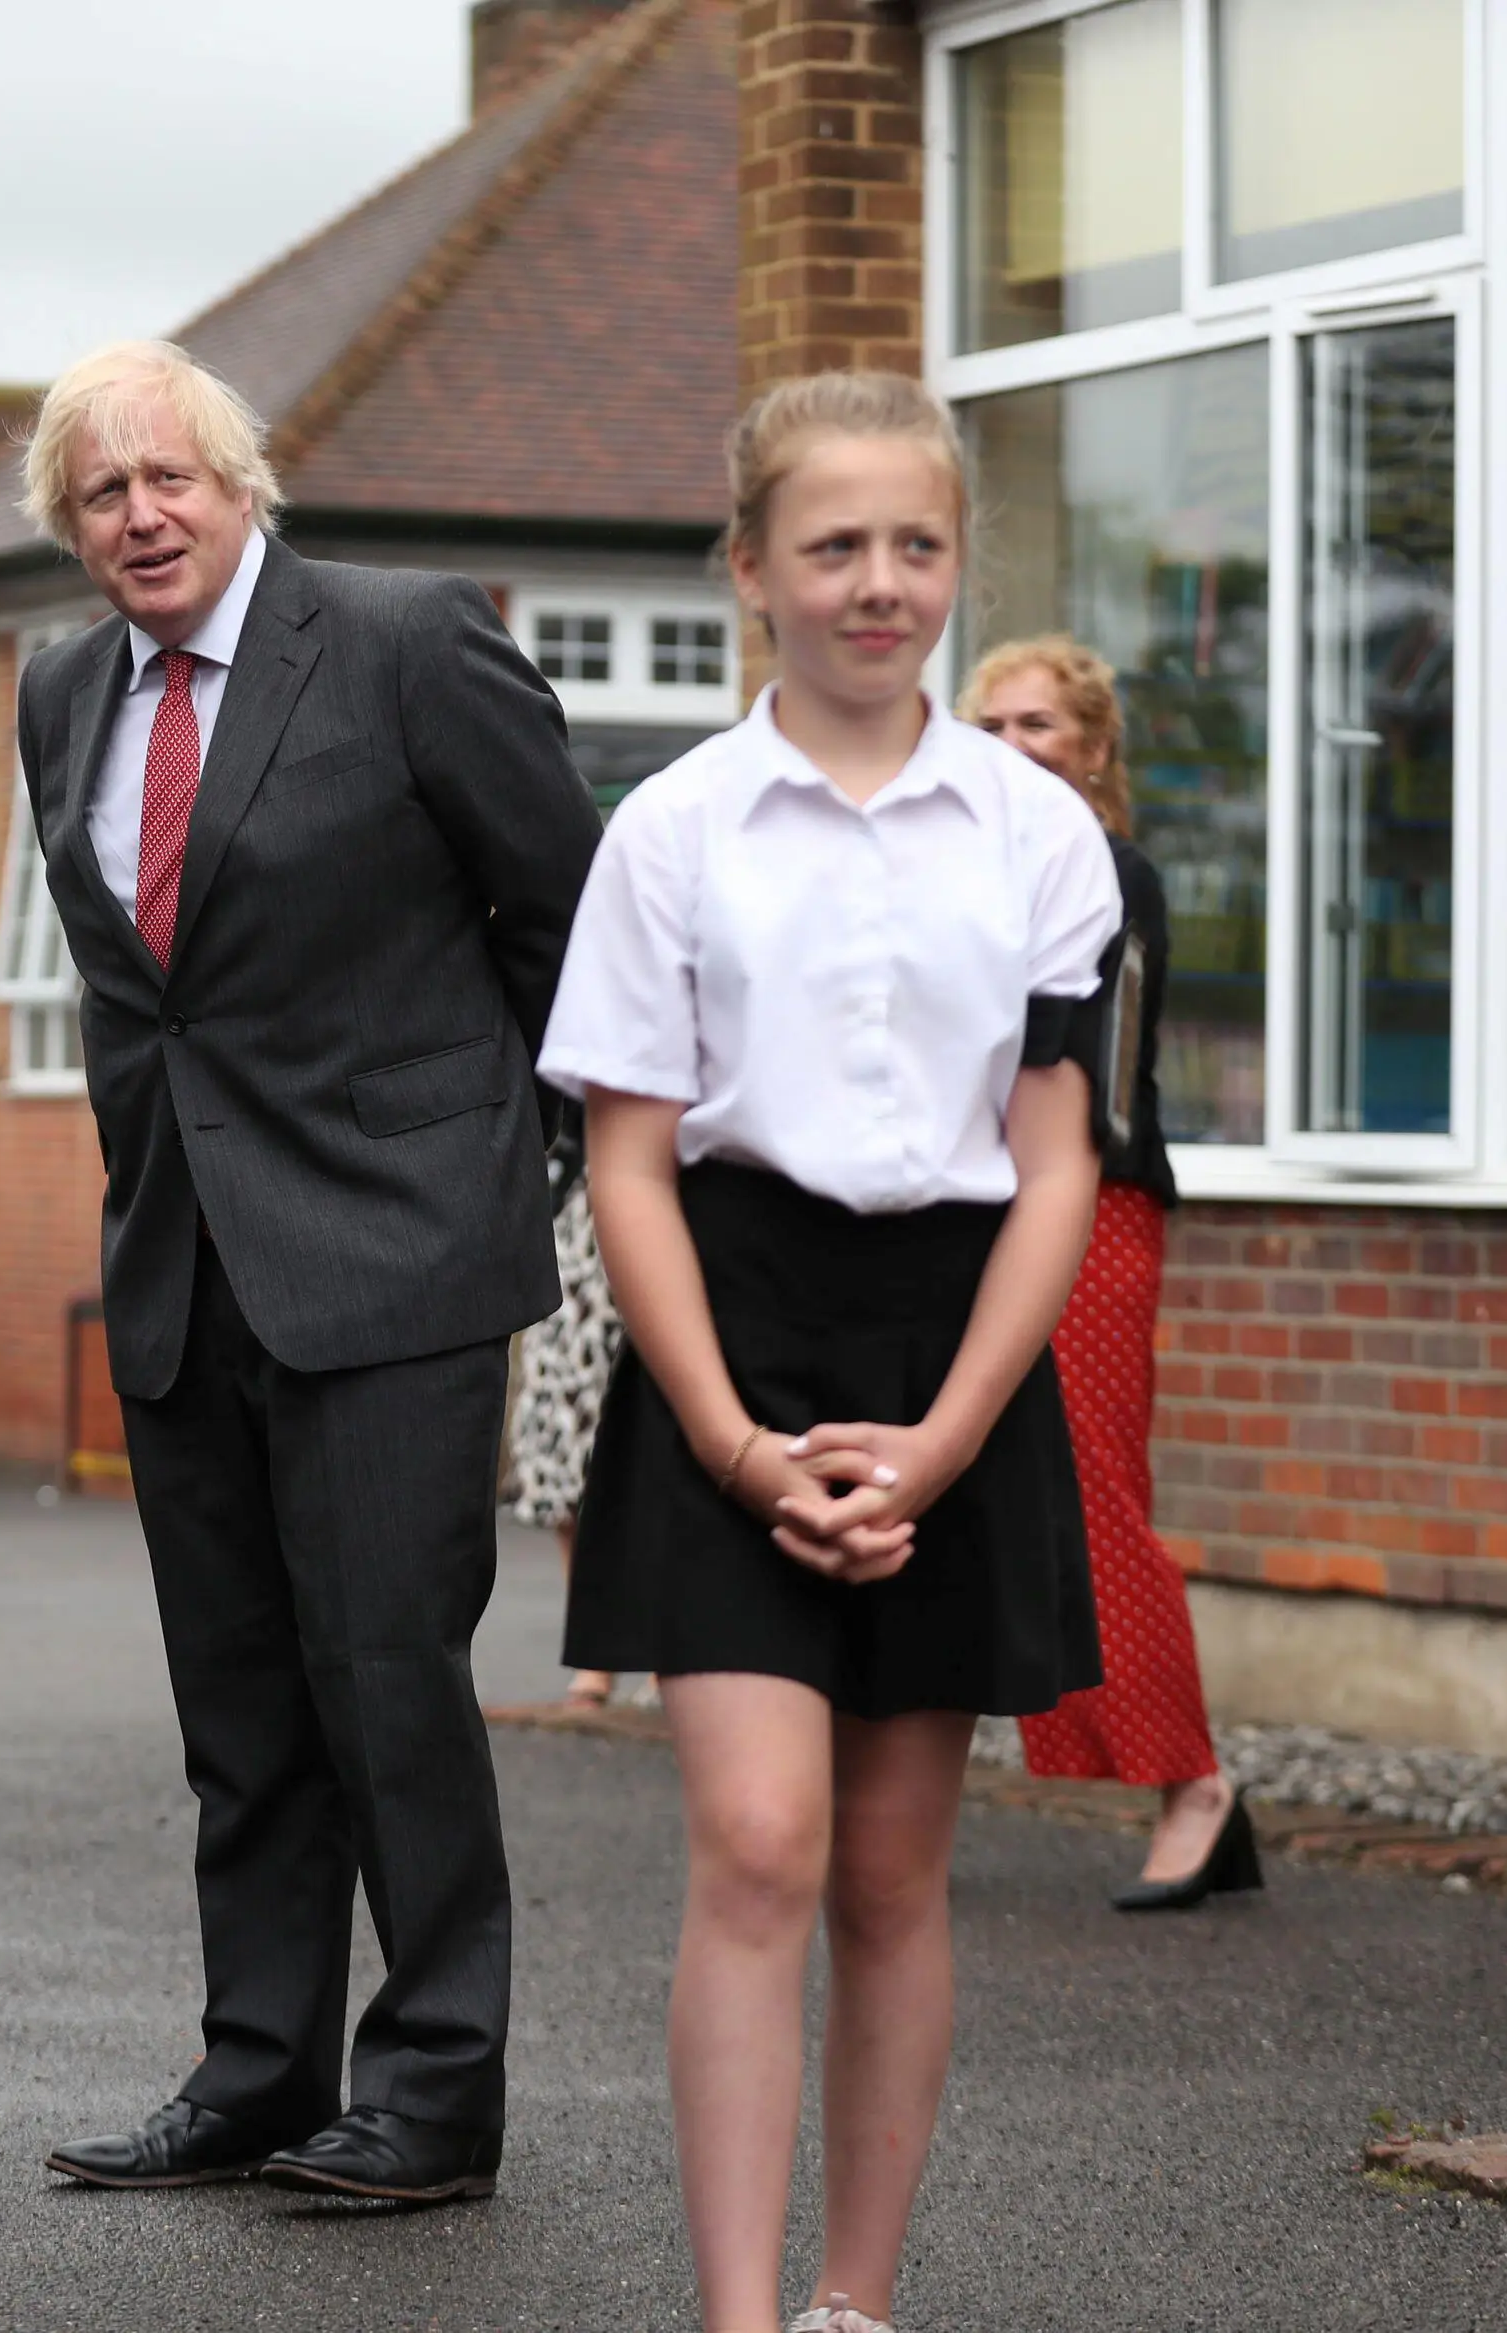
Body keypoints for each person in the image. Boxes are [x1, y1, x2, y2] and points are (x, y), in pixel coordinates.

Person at [542, 372, 1117, 2333]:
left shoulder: (1041, 837)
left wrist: (949, 1439)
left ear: (953, 557)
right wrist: (724, 1440)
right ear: (750, 570)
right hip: (734, 1327)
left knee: (886, 1869)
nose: (879, 585)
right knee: (761, 1839)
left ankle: (853, 2299)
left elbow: (1055, 1164)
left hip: (955, 1341)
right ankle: (733, 2309)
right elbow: (624, 1156)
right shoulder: (668, 832)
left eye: (916, 545)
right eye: (833, 546)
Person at [16, 342, 600, 2206]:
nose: (142, 515)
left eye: (169, 476)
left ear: (242, 479)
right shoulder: (57, 692)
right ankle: (259, 2067)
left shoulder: (410, 636)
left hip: (397, 1256)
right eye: (102, 494)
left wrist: (501, 1154)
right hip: (184, 1264)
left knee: (386, 1686)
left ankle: (433, 2088)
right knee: (243, 1706)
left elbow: (570, 913)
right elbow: (148, 993)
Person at [964, 634, 1252, 1913]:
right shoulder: (957, 869)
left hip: (1089, 1209)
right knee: (966, 1503)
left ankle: (1195, 1784)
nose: (1017, 748)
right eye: (994, 725)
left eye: (1043, 726)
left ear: (1092, 749)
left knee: (1087, 1494)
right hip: (967, 1209)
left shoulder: (1107, 872)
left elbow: (1094, 1079)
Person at [508, 1099, 627, 1709]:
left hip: (667, 1215)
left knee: (647, 1447)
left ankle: (660, 1651)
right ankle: (593, 1652)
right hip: (572, 1221)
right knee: (563, 1439)